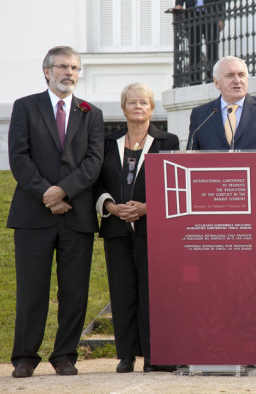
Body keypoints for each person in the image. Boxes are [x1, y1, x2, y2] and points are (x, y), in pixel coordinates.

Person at [7, 46, 104, 378]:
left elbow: (94, 162)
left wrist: (63, 192)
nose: (70, 73)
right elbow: (19, 157)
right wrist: (46, 193)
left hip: (76, 216)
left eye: (75, 68)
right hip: (33, 215)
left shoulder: (92, 112)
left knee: (74, 290)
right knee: (32, 288)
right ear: (46, 71)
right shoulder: (25, 107)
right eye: (63, 66)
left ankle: (65, 355)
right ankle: (24, 356)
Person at [95, 83, 180, 373]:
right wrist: (109, 206)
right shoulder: (108, 142)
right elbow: (98, 183)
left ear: (152, 108)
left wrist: (148, 207)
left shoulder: (168, 141)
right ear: (123, 108)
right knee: (122, 292)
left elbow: (174, 183)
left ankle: (154, 355)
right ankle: (126, 355)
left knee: (151, 292)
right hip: (116, 229)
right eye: (132, 102)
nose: (138, 107)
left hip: (152, 230)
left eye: (144, 102)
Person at [186, 55, 256, 175]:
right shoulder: (201, 115)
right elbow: (191, 156)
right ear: (216, 83)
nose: (237, 80)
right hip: (213, 189)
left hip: (255, 188)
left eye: (241, 75)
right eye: (230, 75)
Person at [174, 0, 224, 84]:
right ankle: (195, 79)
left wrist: (221, 18)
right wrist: (178, 4)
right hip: (193, 14)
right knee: (194, 48)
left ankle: (211, 78)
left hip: (211, 13)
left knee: (212, 48)